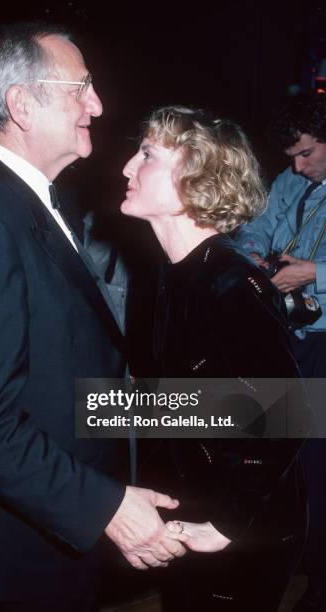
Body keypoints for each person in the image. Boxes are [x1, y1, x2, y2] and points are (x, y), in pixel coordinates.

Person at [0, 23, 185, 612]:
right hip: (10, 557)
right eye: (80, 88)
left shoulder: (31, 203)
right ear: (21, 104)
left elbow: (68, 380)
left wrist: (260, 414)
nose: (97, 104)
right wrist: (107, 508)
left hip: (50, 534)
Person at [121, 106, 309, 611]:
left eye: (146, 155)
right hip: (201, 512)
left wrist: (229, 522)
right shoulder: (176, 276)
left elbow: (287, 413)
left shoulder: (229, 283)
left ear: (196, 175)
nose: (126, 168)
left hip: (244, 530)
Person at [236, 92, 326, 612]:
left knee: (319, 462)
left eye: (308, 153)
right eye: (291, 156)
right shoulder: (291, 180)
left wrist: (313, 273)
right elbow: (255, 230)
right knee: (285, 455)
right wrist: (254, 261)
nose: (298, 166)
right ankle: (294, 560)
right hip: (290, 337)